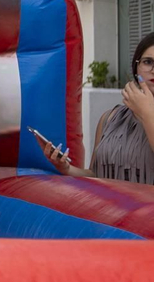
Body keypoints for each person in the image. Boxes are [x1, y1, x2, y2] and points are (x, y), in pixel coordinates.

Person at [36, 32, 154, 185]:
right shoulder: (110, 118)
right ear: (136, 67)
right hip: (109, 201)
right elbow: (97, 174)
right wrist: (67, 168)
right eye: (148, 62)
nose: (153, 69)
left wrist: (147, 112)